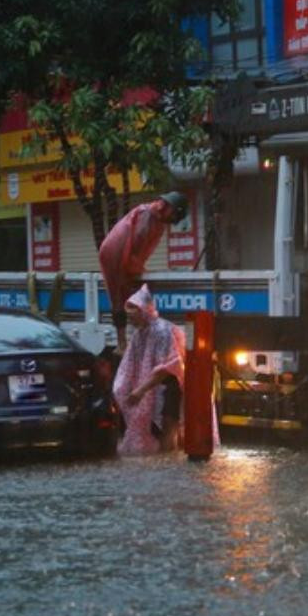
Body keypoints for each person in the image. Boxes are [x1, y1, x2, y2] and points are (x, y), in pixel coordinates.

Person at [97, 191, 188, 352]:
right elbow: (137, 243)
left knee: (127, 293)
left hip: (124, 253)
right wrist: (135, 269)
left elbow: (141, 251)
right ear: (167, 207)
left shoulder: (157, 220)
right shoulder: (148, 215)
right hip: (116, 253)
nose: (172, 220)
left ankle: (127, 339)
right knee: (120, 294)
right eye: (173, 214)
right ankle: (122, 342)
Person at [112, 284, 187, 456]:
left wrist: (140, 390)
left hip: (170, 383)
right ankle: (164, 457)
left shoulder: (162, 331)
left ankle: (169, 458)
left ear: (143, 311)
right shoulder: (140, 333)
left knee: (169, 422)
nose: (131, 321)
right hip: (154, 386)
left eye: (133, 316)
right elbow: (131, 364)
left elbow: (168, 367)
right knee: (158, 426)